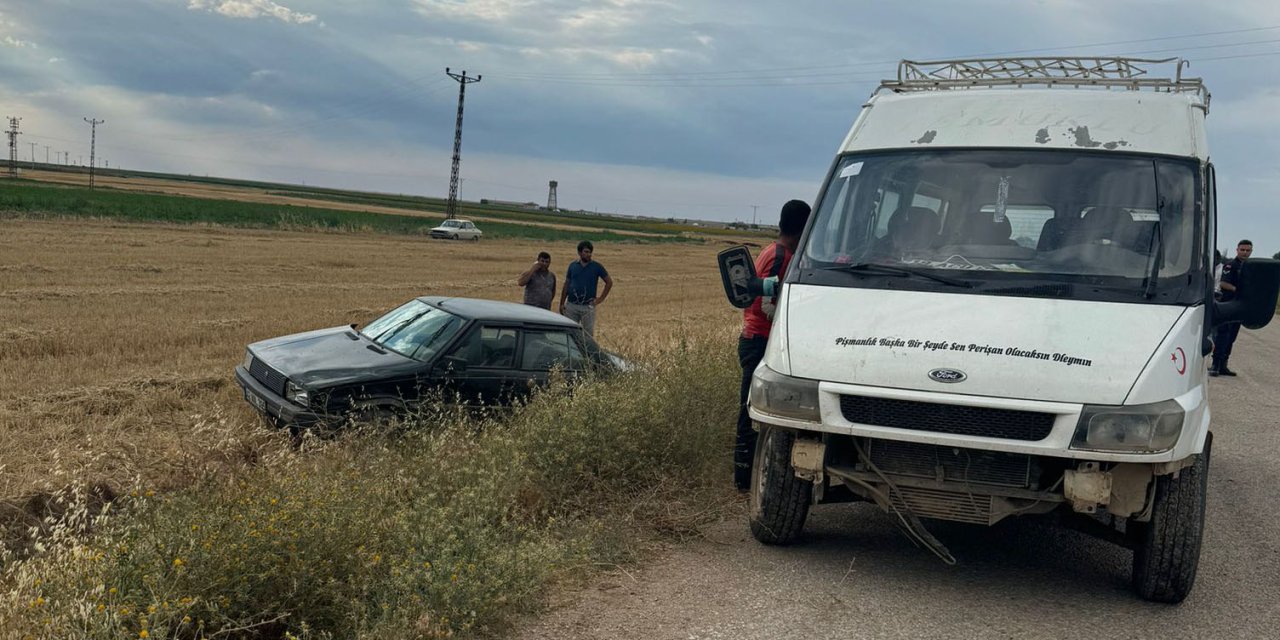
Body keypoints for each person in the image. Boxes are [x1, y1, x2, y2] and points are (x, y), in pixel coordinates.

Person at [735, 200, 812, 491]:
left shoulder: (772, 250)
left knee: (750, 409)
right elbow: (767, 305)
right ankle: (744, 480)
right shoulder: (782, 256)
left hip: (753, 338)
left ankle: (745, 477)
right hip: (761, 340)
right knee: (750, 412)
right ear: (805, 227)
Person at [1210, 239, 1252, 377]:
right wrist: (1238, 290)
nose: (1245, 252)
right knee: (1223, 335)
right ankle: (1215, 365)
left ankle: (1223, 365)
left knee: (1232, 337)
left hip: (1240, 307)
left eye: (1248, 250)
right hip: (1228, 305)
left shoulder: (1249, 267)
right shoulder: (1230, 265)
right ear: (1237, 250)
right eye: (1242, 250)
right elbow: (1223, 284)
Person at [558, 240, 612, 337]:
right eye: (586, 252)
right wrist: (562, 303)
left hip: (588, 307)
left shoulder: (597, 267)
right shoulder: (573, 266)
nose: (589, 254)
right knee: (568, 332)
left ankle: (586, 352)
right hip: (571, 305)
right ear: (579, 253)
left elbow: (609, 282)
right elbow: (566, 284)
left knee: (587, 335)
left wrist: (600, 299)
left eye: (590, 252)